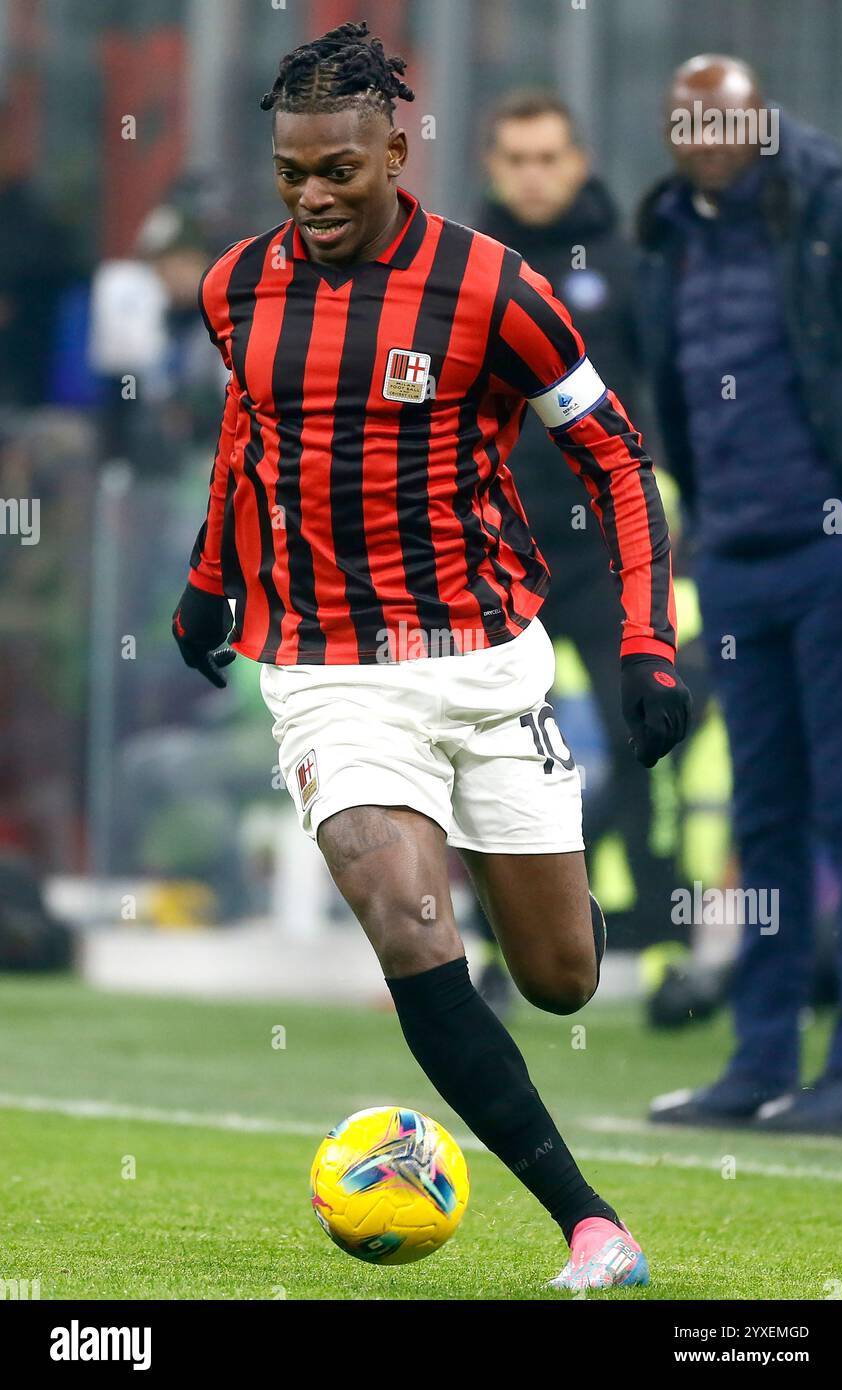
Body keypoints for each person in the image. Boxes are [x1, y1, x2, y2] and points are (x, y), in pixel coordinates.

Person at [171, 21, 689, 1288]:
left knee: (561, 979)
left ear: (396, 150)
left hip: (487, 660)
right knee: (401, 910)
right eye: (292, 174)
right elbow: (251, 444)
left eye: (339, 171)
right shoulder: (237, 287)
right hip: (329, 667)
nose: (313, 197)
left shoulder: (494, 290)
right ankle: (588, 1220)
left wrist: (641, 639)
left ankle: (547, 916)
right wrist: (207, 584)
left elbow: (617, 456)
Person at [638, 55, 842, 1134]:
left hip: (834, 550)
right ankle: (758, 1059)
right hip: (730, 555)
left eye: (725, 113)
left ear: (762, 118)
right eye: (687, 116)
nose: (706, 131)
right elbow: (670, 389)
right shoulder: (670, 236)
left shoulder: (830, 215)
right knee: (762, 818)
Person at [474, 91, 693, 1015]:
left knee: (648, 741)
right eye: (516, 158)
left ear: (579, 159)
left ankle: (664, 952)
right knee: (489, 756)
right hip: (498, 552)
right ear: (492, 167)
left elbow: (670, 398)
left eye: (548, 156)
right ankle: (497, 954)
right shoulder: (463, 269)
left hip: (607, 552)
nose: (533, 174)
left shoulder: (631, 264)